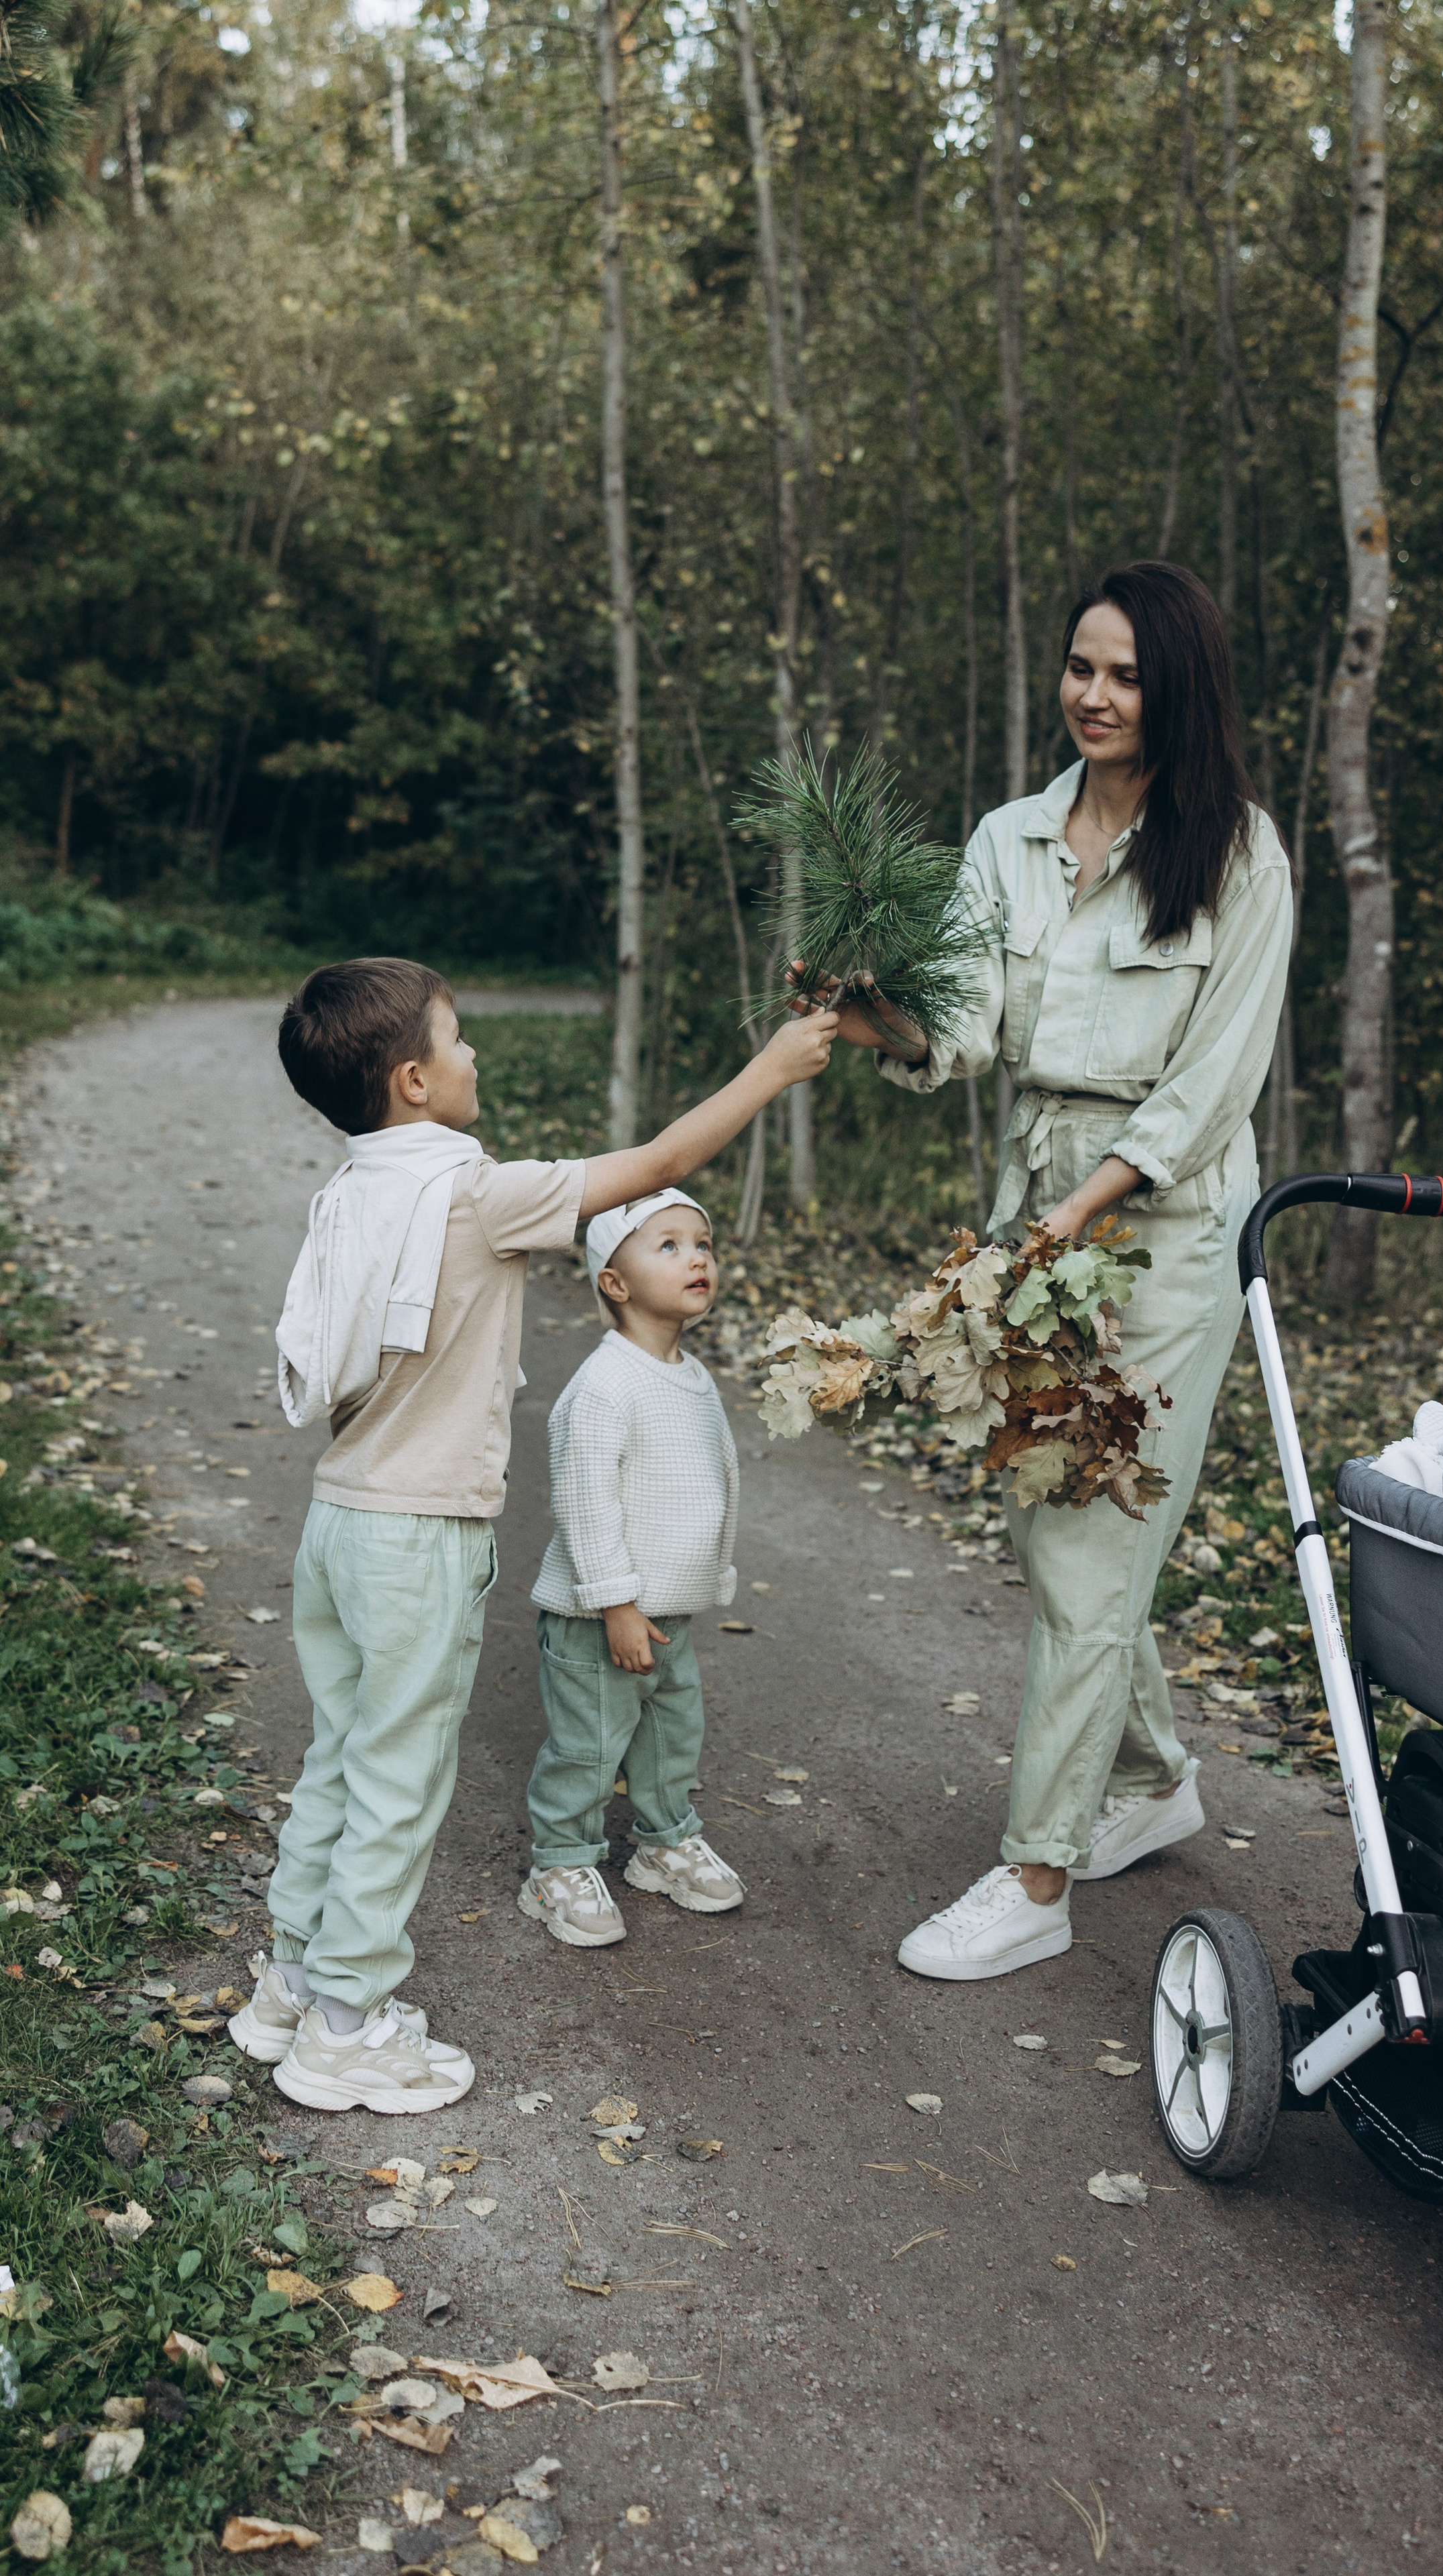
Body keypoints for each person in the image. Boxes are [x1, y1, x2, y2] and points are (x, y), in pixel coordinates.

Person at [797, 560, 1293, 1980]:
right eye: (1079, 666)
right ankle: (1151, 1781)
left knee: (1092, 1536)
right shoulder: (1008, 838)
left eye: (1125, 674)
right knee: (1048, 1513)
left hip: (1169, 1221)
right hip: (1037, 1202)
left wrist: (1076, 1216)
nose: (1092, 693)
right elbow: (955, 1028)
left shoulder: (1240, 856)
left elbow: (1210, 1088)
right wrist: (864, 1011)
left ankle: (1034, 1873)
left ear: (1178, 689)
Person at [227, 960, 837, 2108]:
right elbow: (655, 1169)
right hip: (417, 1541)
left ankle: (292, 1985)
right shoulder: (469, 1189)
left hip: (341, 1522)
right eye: (458, 1043)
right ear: (412, 1081)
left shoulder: (355, 1187)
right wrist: (772, 1067)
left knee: (341, 1760)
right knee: (400, 1781)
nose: (475, 1060)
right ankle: (348, 2025)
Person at [517, 1189, 745, 1947]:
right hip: (597, 1616)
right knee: (589, 1743)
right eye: (670, 1245)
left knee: (670, 1732)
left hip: (667, 1609)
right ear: (614, 1283)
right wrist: (615, 1603)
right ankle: (559, 1862)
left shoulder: (691, 1375)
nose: (698, 1258)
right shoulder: (605, 1384)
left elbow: (712, 1478)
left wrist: (704, 1580)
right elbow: (584, 1500)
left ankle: (663, 1841)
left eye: (703, 1244)